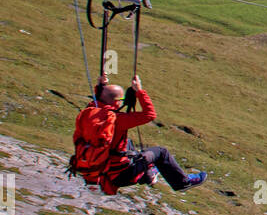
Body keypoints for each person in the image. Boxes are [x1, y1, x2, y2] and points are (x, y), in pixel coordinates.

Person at [69, 73, 206, 195]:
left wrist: (101, 87)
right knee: (161, 152)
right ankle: (182, 183)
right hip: (120, 175)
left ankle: (148, 175)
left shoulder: (87, 114)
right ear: (117, 102)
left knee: (128, 144)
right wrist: (139, 91)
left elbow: (99, 102)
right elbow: (149, 115)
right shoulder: (117, 120)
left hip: (96, 170)